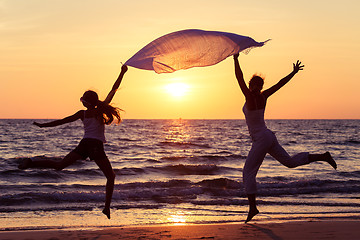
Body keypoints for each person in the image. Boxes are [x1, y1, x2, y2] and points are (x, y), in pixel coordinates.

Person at [233, 53, 337, 223]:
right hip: (268, 137)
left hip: (262, 139)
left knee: (248, 173)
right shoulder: (263, 96)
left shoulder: (251, 97)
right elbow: (280, 84)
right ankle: (323, 156)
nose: (253, 86)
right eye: (253, 84)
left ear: (257, 86)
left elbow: (239, 77)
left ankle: (252, 208)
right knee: (289, 162)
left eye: (256, 85)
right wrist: (293, 73)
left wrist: (235, 59)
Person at [18, 64, 128, 219]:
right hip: (95, 146)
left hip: (84, 144)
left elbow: (62, 121)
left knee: (59, 166)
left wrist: (43, 126)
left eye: (83, 99)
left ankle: (31, 163)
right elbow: (113, 89)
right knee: (110, 177)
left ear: (86, 102)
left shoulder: (82, 113)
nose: (81, 101)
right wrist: (122, 72)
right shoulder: (99, 110)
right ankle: (106, 207)